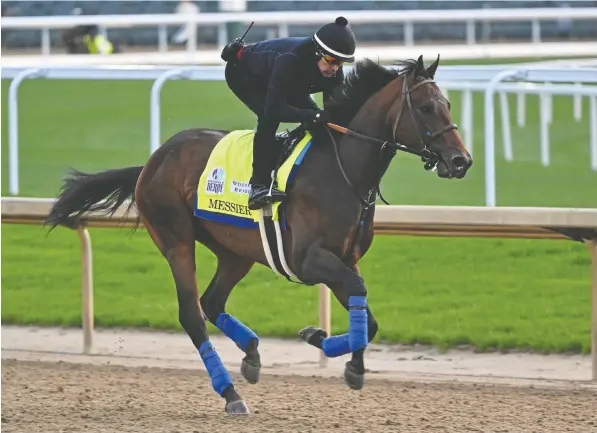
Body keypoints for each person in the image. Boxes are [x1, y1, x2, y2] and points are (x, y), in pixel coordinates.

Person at [221, 16, 356, 210]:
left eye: (341, 63)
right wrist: (313, 116)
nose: (335, 68)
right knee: (269, 119)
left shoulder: (332, 69)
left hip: (288, 79)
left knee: (319, 121)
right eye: (332, 61)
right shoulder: (290, 60)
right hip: (245, 74)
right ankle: (258, 186)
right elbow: (274, 110)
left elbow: (333, 111)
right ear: (318, 52)